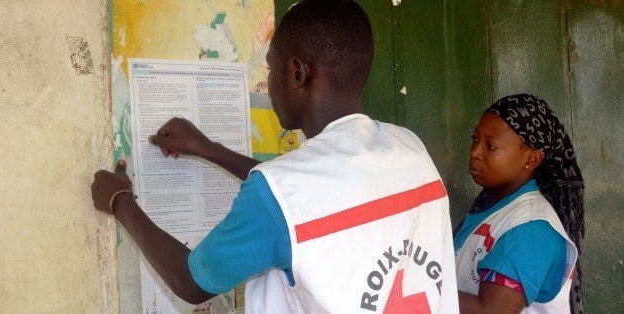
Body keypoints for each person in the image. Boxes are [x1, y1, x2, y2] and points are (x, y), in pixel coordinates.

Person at [92, 0, 458, 312]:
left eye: (270, 67)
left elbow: (191, 282)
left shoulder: (281, 194)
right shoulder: (410, 150)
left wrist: (120, 200)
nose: (267, 83)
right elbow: (306, 200)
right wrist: (209, 150)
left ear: (297, 73)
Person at [453, 94, 585, 313]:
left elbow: (491, 311)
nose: (475, 152)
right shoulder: (492, 207)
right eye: (475, 139)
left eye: (491, 146)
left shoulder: (531, 228)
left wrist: (420, 287)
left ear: (531, 159)